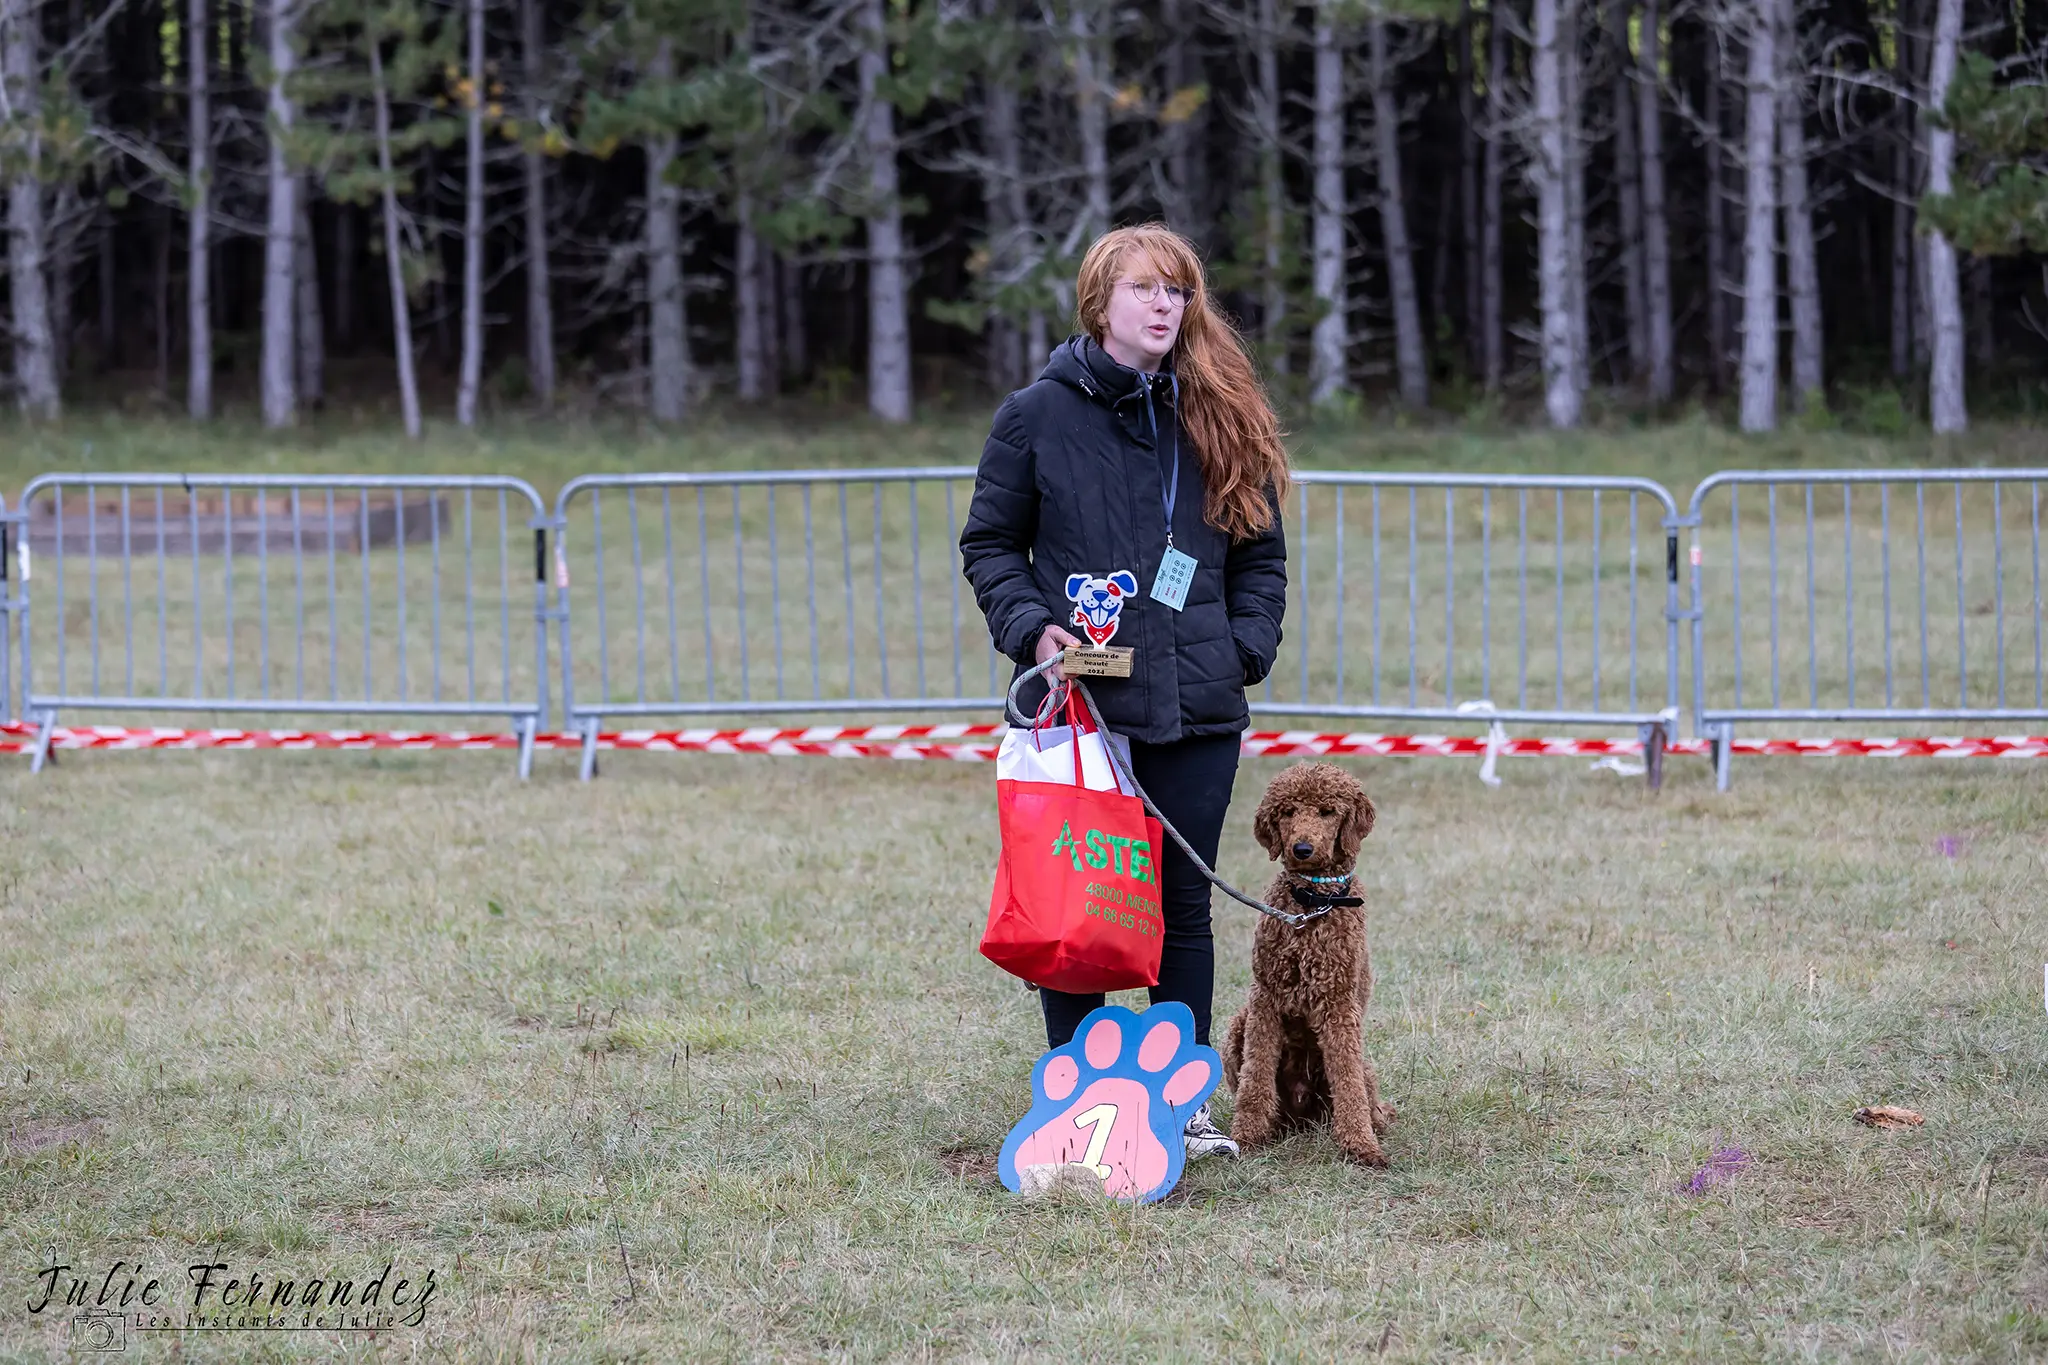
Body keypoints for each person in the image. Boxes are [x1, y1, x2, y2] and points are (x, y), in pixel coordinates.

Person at [959, 223, 1290, 1161]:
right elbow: (990, 545)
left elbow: (1259, 549)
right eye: (1145, 289)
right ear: (1099, 300)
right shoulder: (1035, 415)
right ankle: (1077, 1100)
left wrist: (1244, 645)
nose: (1164, 306)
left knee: (1180, 908)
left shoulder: (1220, 408)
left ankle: (1177, 1107)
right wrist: (1033, 628)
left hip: (1197, 707)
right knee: (1082, 907)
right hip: (1083, 707)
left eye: (1178, 291)